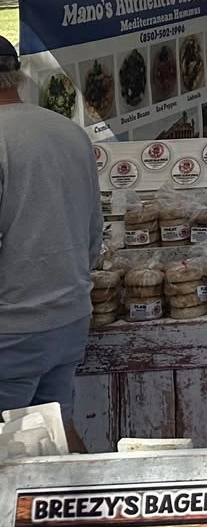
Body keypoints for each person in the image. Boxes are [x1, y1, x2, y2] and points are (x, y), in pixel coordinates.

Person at [0, 35, 100, 426]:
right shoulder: (67, 131)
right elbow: (94, 233)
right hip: (68, 318)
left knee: (13, 454)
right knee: (54, 439)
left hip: (12, 328)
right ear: (18, 76)